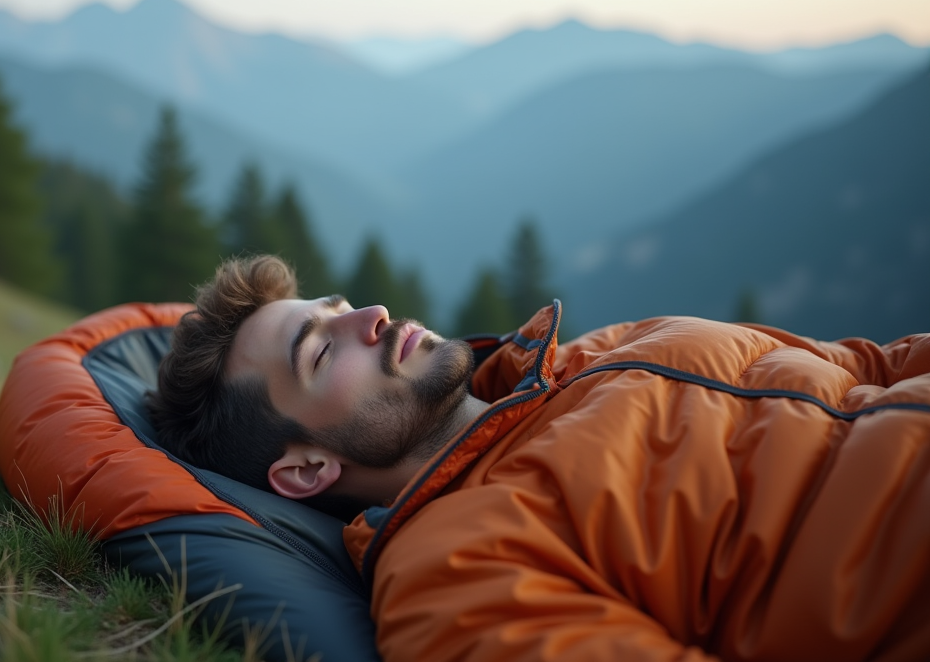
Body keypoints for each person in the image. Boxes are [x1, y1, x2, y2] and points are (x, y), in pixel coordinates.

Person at [148, 255, 930, 662]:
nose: (372, 316)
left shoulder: (606, 350)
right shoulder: (459, 573)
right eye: (321, 351)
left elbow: (872, 362)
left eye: (343, 308)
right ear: (307, 470)